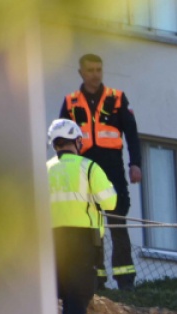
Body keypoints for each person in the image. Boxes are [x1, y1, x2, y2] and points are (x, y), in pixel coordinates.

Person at [59, 53, 141, 290]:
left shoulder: (117, 98)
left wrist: (135, 164)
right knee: (92, 225)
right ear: (81, 73)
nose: (95, 74)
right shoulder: (71, 102)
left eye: (98, 70)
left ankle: (125, 280)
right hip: (83, 168)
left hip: (112, 168)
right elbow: (61, 140)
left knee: (117, 221)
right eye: (90, 70)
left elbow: (132, 134)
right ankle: (97, 279)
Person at [47, 118, 117, 314]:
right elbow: (110, 202)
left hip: (51, 239)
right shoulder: (88, 168)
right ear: (76, 141)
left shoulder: (43, 170)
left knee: (58, 290)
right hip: (83, 240)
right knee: (78, 294)